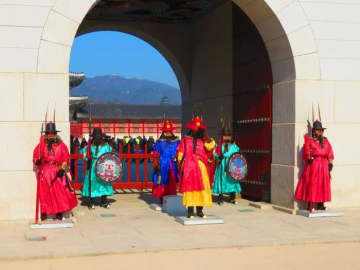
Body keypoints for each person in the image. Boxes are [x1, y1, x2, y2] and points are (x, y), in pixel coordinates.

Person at [33, 122, 77, 221]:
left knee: (59, 192)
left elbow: (66, 158)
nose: (50, 135)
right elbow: (35, 156)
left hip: (57, 171)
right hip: (45, 171)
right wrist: (37, 161)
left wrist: (62, 169)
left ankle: (59, 212)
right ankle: (44, 212)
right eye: (48, 133)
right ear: (46, 134)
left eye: (52, 133)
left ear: (55, 133)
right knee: (45, 193)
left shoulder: (61, 145)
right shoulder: (41, 145)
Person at [177, 117, 215, 218]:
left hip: (201, 166)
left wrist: (206, 136)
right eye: (195, 128)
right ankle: (190, 211)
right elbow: (180, 153)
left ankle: (200, 211)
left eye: (199, 129)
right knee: (190, 189)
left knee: (202, 189)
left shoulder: (203, 140)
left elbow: (211, 146)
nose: (196, 130)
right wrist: (181, 164)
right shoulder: (185, 140)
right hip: (189, 167)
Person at [295, 120, 334, 211]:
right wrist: (307, 158)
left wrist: (330, 163)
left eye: (321, 130)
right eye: (318, 130)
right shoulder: (310, 141)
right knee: (312, 184)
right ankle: (310, 203)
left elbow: (330, 152)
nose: (320, 132)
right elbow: (306, 153)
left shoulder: (326, 141)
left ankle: (321, 204)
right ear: (314, 131)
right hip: (314, 165)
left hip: (324, 165)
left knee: (322, 184)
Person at [82, 128, 114, 209]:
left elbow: (111, 157)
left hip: (103, 167)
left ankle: (103, 201)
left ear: (101, 137)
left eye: (99, 137)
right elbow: (85, 157)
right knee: (92, 183)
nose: (97, 138)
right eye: (96, 137)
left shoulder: (107, 147)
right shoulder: (89, 147)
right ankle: (91, 201)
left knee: (104, 183)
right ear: (93, 137)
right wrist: (87, 158)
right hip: (92, 167)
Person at [152, 121, 180, 205]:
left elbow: (180, 151)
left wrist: (177, 157)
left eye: (169, 131)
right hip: (162, 163)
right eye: (166, 131)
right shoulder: (159, 141)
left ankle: (171, 197)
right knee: (162, 181)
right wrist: (156, 161)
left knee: (171, 180)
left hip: (172, 164)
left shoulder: (177, 141)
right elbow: (155, 152)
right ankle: (162, 198)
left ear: (172, 131)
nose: (167, 133)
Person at [212, 126, 242, 204]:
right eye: (225, 135)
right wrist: (218, 156)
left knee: (232, 181)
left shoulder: (234, 146)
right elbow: (215, 154)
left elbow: (237, 154)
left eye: (228, 135)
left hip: (231, 166)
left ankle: (232, 198)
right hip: (222, 165)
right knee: (221, 181)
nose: (226, 137)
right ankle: (220, 198)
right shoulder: (219, 145)